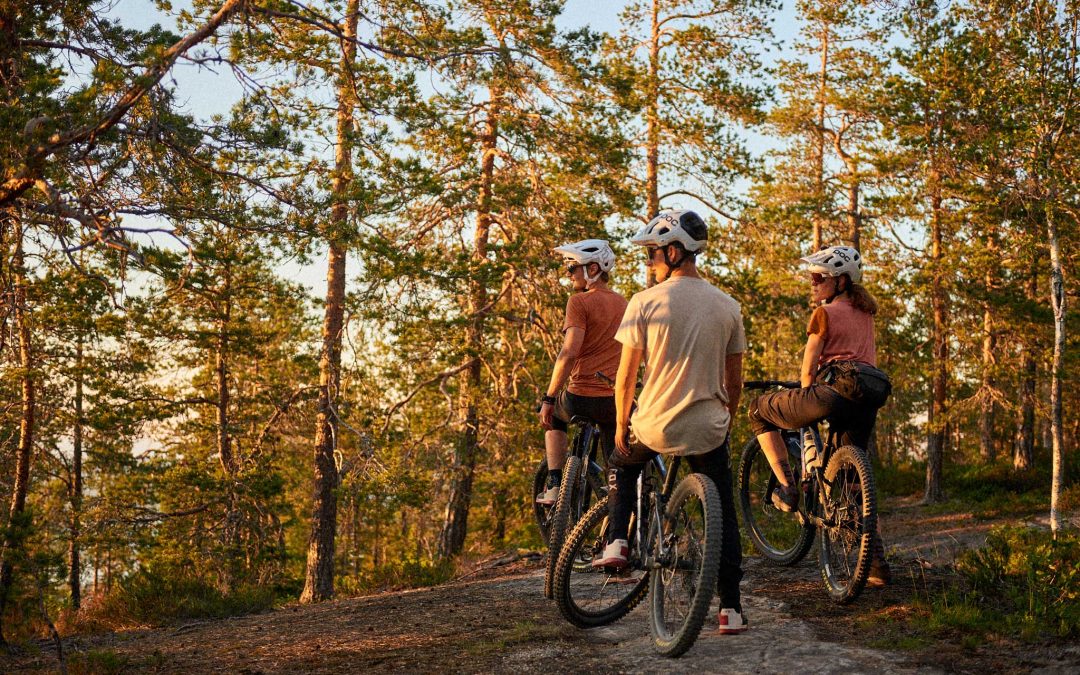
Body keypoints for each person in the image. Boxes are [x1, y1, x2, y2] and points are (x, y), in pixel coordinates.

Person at [595, 209, 748, 635]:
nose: (650, 263)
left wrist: (623, 425)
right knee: (725, 511)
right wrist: (725, 419)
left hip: (655, 425)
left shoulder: (645, 303)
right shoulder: (728, 306)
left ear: (675, 251)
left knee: (621, 461)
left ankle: (618, 540)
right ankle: (731, 610)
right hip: (706, 427)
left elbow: (626, 377)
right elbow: (733, 383)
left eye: (653, 255)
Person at [747, 245, 893, 584]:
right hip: (866, 396)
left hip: (831, 393)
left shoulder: (824, 313)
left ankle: (787, 488)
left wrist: (802, 393)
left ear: (840, 281)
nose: (813, 283)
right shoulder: (865, 312)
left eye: (818, 278)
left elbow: (809, 367)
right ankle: (875, 564)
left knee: (759, 411)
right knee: (852, 482)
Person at [536, 239, 628, 504]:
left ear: (594, 268)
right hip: (614, 401)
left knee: (553, 415)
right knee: (616, 471)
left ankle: (554, 484)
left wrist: (549, 397)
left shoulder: (579, 302)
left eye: (573, 268)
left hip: (581, 396)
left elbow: (569, 352)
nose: (570, 275)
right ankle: (619, 522)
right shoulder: (625, 304)